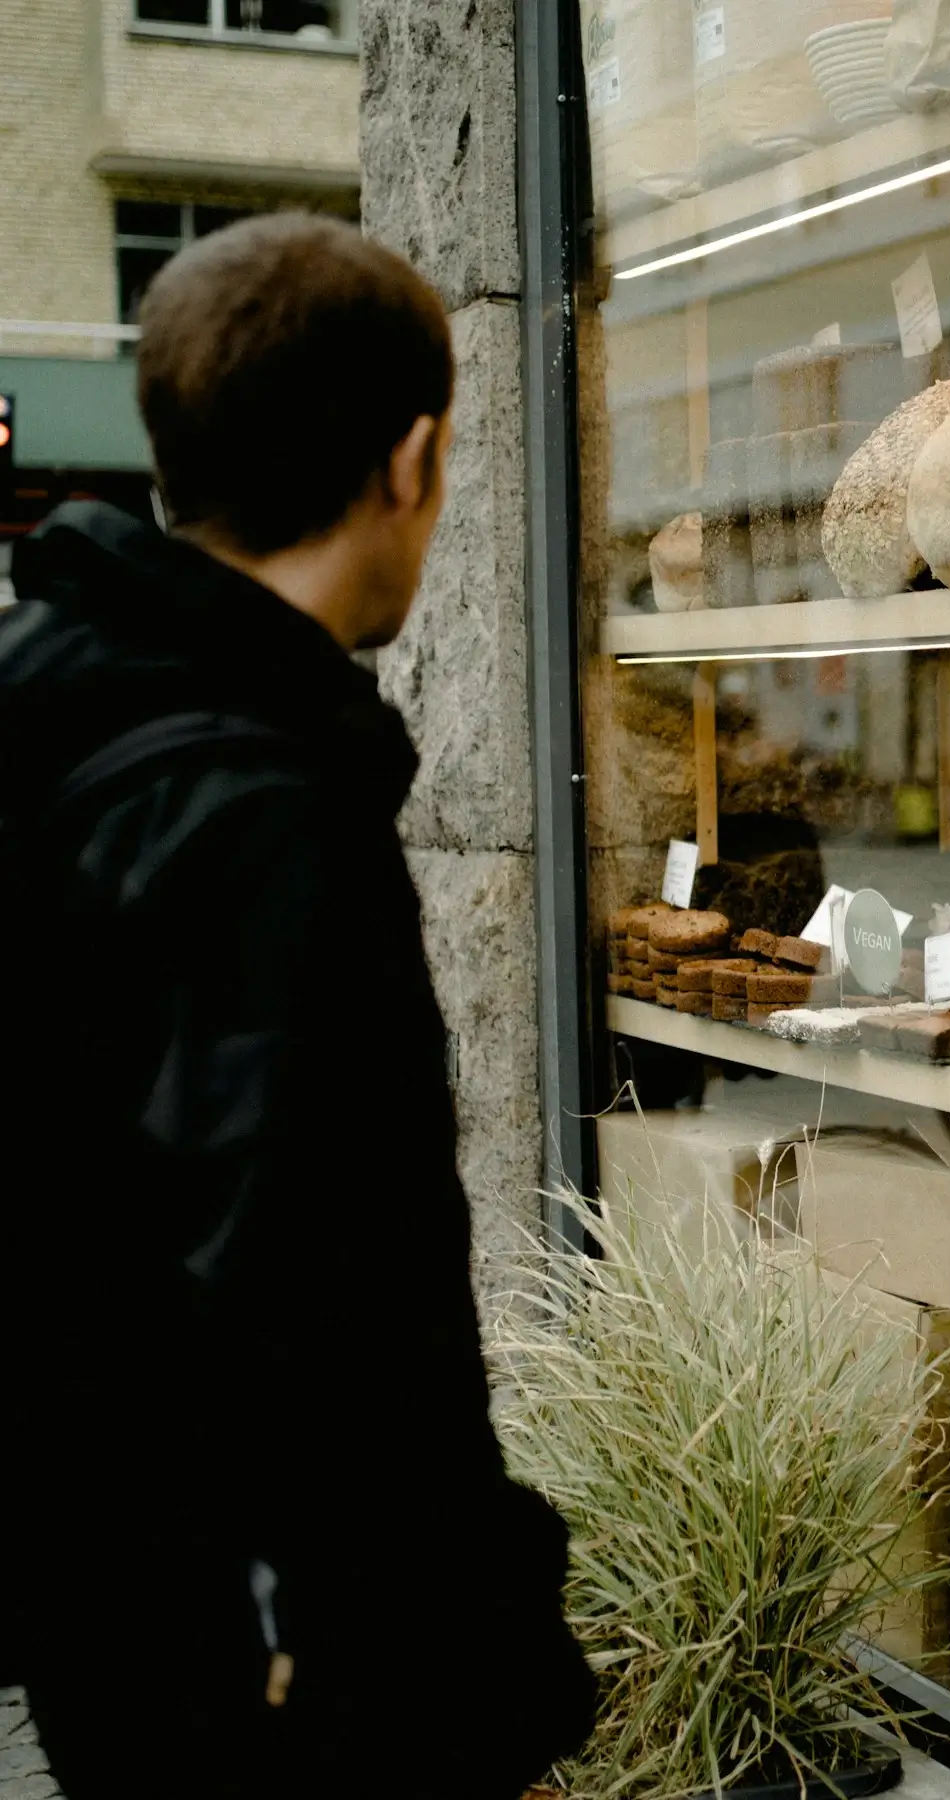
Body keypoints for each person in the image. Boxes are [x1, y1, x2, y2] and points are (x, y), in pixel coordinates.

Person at [0, 216, 593, 1797]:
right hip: (258, 1663)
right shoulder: (273, 813)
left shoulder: (50, 694)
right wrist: (468, 1650)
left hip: (96, 1598)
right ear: (409, 460)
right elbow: (322, 1302)